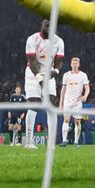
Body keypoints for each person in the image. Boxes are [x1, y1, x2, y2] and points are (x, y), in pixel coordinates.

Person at [24, 19, 64, 149]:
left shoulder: (59, 41)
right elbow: (31, 61)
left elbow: (59, 61)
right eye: (46, 25)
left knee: (51, 105)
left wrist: (55, 71)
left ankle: (51, 142)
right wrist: (39, 77)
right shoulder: (32, 39)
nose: (49, 27)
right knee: (33, 103)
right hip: (32, 72)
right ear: (41, 26)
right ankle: (29, 141)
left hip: (49, 73)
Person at [59, 57, 91, 146]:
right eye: (73, 63)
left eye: (76, 63)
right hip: (67, 100)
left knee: (77, 121)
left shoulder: (83, 75)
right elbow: (63, 89)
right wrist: (60, 103)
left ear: (79, 64)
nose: (75, 64)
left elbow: (87, 88)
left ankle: (76, 141)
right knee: (66, 120)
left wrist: (85, 95)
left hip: (77, 101)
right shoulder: (66, 75)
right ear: (71, 64)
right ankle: (64, 140)